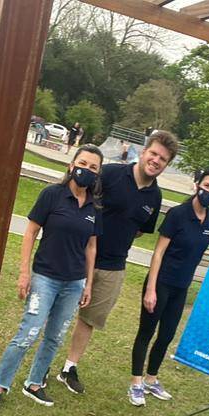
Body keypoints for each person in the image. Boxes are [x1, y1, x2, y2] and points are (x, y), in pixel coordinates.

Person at [57, 130, 179, 395]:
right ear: (143, 152)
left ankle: (69, 367)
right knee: (58, 312)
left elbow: (140, 230)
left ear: (167, 164)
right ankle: (42, 362)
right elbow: (78, 197)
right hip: (78, 255)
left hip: (113, 266)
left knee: (89, 319)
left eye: (163, 159)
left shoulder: (155, 197)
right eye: (154, 153)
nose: (156, 160)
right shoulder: (111, 174)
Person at [0, 145, 103, 410]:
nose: (87, 170)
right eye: (83, 163)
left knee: (55, 337)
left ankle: (35, 383)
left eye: (93, 167)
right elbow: (30, 232)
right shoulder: (52, 195)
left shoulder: (95, 207)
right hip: (45, 278)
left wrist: (88, 284)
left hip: (74, 283)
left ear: (98, 174)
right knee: (28, 333)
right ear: (72, 165)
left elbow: (91, 247)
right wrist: (24, 272)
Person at [129, 168, 209, 406]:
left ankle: (151, 379)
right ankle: (136, 383)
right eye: (207, 185)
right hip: (161, 283)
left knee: (167, 335)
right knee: (146, 332)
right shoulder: (178, 214)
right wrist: (151, 289)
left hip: (181, 288)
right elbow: (158, 253)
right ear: (197, 184)